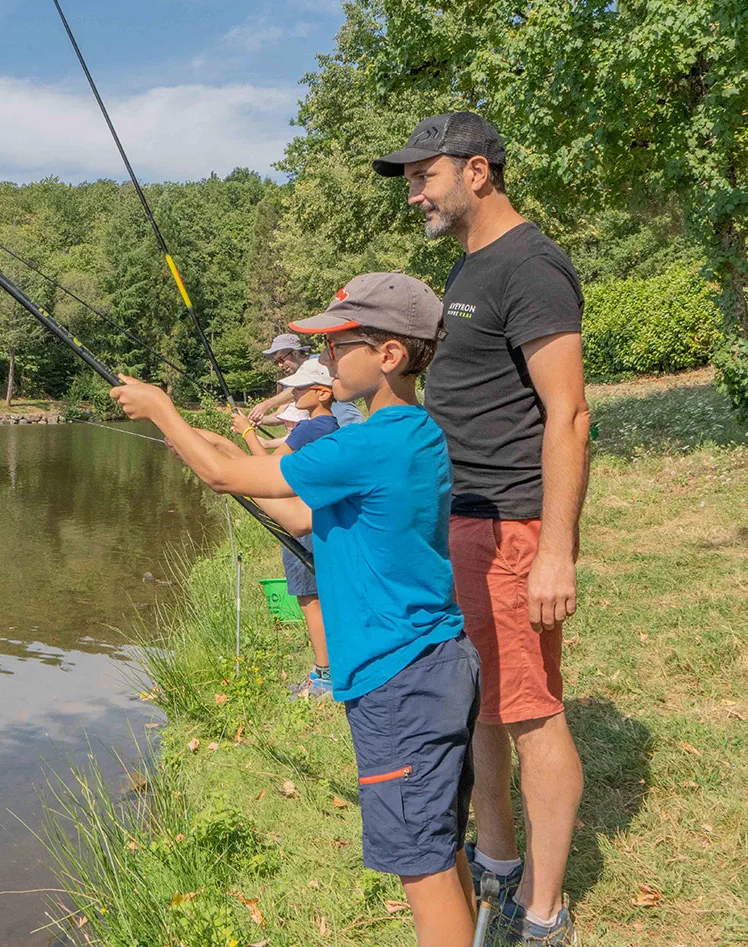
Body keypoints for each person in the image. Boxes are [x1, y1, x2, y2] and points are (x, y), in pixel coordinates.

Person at [112, 273, 481, 947]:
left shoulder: (366, 443)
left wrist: (163, 410)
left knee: (421, 867)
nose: (327, 360)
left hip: (397, 680)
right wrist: (206, 443)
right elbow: (299, 510)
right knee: (441, 842)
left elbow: (231, 477)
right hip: (438, 665)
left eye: (340, 345)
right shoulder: (412, 432)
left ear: (390, 354)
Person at [373, 112, 590, 945]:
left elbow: (567, 415)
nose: (414, 193)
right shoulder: (473, 265)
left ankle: (544, 911)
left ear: (477, 172)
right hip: (465, 525)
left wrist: (555, 552)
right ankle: (497, 859)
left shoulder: (531, 266)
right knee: (484, 707)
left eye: (423, 175)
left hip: (513, 530)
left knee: (531, 712)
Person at [232, 358, 339, 697]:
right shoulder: (331, 426)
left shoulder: (311, 427)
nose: (294, 393)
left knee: (310, 599)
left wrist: (246, 431)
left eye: (302, 388)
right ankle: (329, 668)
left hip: (302, 520)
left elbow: (268, 471)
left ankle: (324, 675)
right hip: (318, 517)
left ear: (322, 393)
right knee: (321, 596)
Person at [251, 335, 364, 428]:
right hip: (328, 435)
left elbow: (300, 388)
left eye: (281, 359)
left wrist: (266, 404)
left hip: (348, 427)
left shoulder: (319, 362)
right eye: (276, 362)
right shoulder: (292, 382)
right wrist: (256, 420)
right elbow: (281, 414)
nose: (280, 365)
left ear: (295, 353)